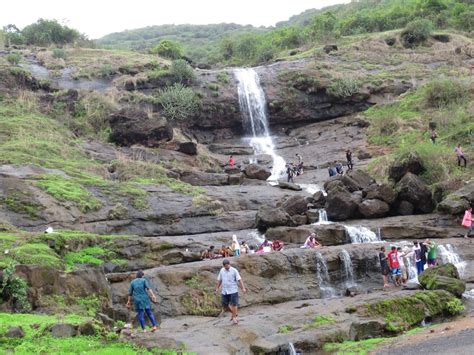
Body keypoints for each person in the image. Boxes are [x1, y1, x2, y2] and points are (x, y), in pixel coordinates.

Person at [215, 259, 247, 325]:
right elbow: (219, 280)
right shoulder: (222, 270)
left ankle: (234, 317)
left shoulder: (234, 270)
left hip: (233, 290)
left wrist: (243, 288)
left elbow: (239, 280)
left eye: (227, 266)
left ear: (229, 264)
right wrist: (217, 288)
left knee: (234, 304)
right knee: (224, 304)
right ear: (223, 266)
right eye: (225, 266)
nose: (226, 267)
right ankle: (234, 313)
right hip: (224, 290)